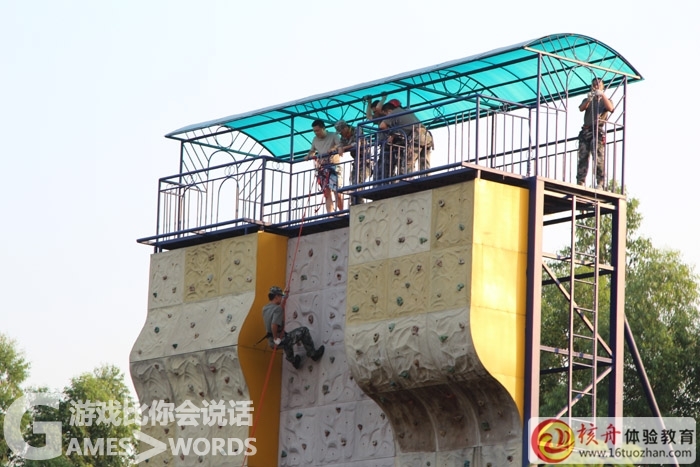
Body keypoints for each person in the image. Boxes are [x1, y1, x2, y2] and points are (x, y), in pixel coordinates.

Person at [262, 286, 324, 369]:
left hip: (271, 341)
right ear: (276, 296)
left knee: (287, 340)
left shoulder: (265, 308)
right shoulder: (277, 309)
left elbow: (279, 308)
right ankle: (313, 354)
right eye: (280, 296)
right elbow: (274, 325)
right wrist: (276, 338)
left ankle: (294, 362)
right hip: (278, 340)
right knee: (303, 331)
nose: (281, 298)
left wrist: (285, 296)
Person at [576, 77, 614, 189]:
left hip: (597, 130)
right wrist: (589, 99)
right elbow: (581, 108)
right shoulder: (588, 99)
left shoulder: (606, 100)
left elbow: (610, 108)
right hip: (586, 130)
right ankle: (580, 181)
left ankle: (600, 182)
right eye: (594, 84)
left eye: (598, 84)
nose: (596, 86)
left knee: (598, 157)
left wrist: (602, 95)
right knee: (583, 156)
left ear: (603, 86)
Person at [379, 101, 433, 174]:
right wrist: (394, 135)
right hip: (427, 135)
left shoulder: (393, 113)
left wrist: (390, 134)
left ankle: (407, 179)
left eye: (385, 115)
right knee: (424, 163)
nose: (386, 117)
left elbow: (382, 126)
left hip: (416, 137)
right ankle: (426, 178)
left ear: (388, 111)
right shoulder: (406, 111)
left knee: (408, 164)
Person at [305, 119, 344, 213]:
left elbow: (340, 145)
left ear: (323, 128)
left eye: (317, 130)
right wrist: (308, 155)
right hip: (322, 168)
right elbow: (312, 151)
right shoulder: (315, 139)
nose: (316, 133)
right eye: (314, 131)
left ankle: (341, 212)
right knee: (326, 193)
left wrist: (334, 148)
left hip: (334, 166)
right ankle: (330, 214)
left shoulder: (333, 135)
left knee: (337, 191)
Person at [335, 120, 372, 203]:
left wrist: (343, 148)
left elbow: (356, 144)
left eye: (341, 131)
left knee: (359, 180)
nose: (341, 134)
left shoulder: (357, 130)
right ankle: (356, 202)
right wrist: (339, 147)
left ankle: (359, 202)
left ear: (345, 128)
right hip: (357, 161)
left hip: (365, 160)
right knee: (354, 181)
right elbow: (340, 144)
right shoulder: (343, 137)